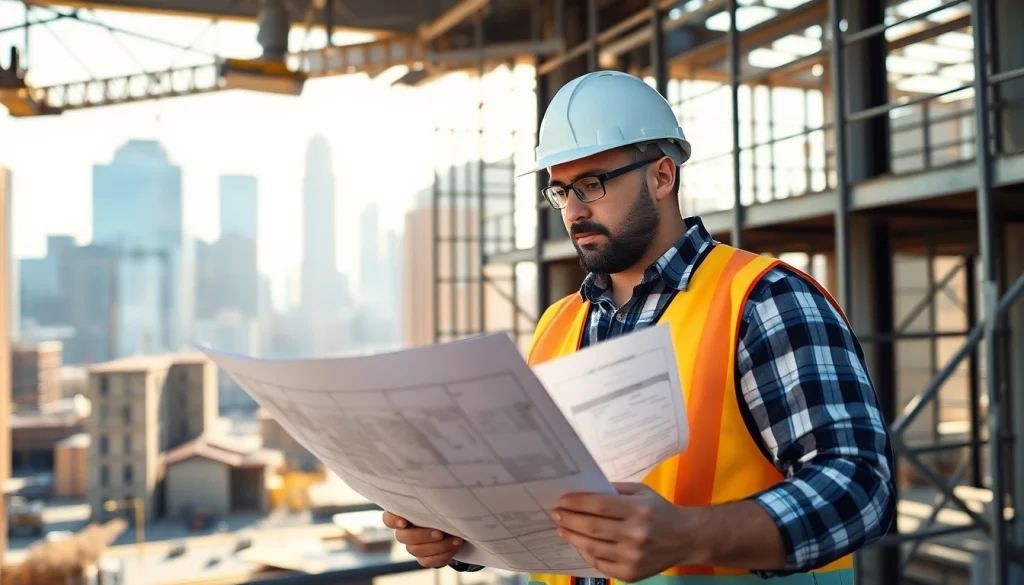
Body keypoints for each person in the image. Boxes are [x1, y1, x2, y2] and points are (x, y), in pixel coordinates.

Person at [382, 70, 896, 584]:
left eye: (592, 184)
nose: (575, 211)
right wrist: (459, 534)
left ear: (662, 176)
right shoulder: (556, 325)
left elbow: (861, 488)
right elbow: (538, 501)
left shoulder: (765, 299)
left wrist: (689, 535)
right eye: (560, 191)